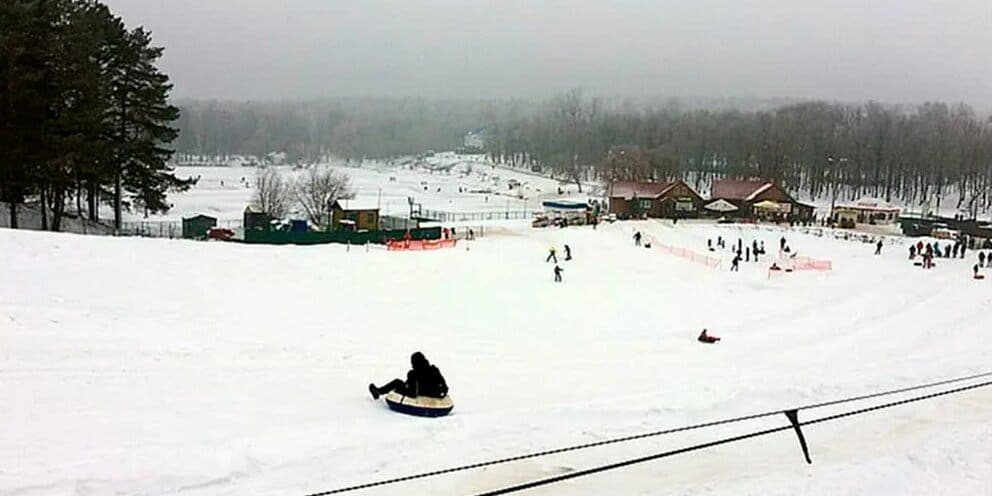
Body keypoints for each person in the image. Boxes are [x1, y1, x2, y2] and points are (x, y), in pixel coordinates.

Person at [369, 352, 448, 400]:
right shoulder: (433, 369)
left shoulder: (415, 373)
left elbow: (413, 392)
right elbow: (444, 386)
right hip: (435, 392)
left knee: (397, 383)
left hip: (421, 392)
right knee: (400, 383)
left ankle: (379, 392)